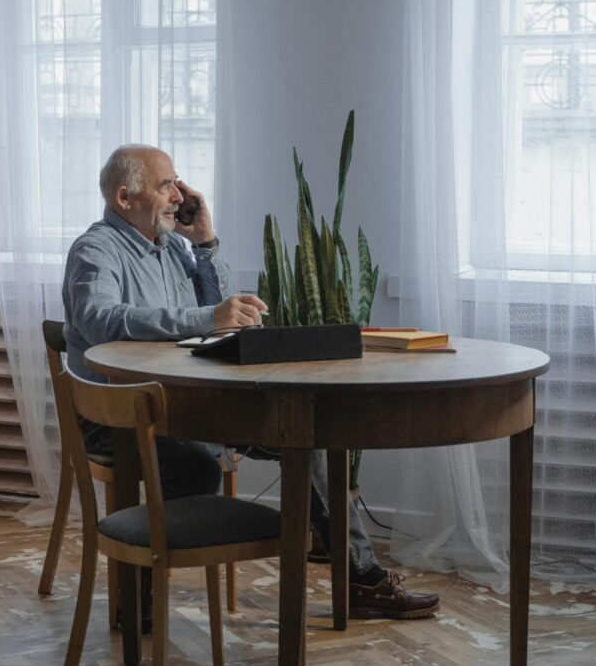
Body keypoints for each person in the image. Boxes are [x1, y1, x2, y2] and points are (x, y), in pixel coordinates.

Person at [62, 144, 440, 621]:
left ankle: (360, 578)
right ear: (124, 197)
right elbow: (99, 318)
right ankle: (138, 589)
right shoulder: (96, 249)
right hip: (121, 416)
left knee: (307, 438)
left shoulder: (172, 248)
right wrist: (206, 315)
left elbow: (215, 309)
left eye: (178, 182)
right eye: (166, 185)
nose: (178, 195)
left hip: (188, 402)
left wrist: (205, 244)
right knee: (196, 467)